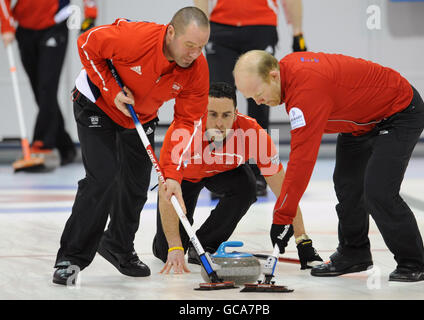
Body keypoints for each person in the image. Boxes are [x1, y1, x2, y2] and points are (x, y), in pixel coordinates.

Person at [233, 50, 424, 282]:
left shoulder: (305, 91)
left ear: (274, 76)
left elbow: (302, 160)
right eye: (251, 99)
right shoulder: (289, 78)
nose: (258, 102)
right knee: (347, 185)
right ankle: (353, 253)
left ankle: (412, 262)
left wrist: (283, 217)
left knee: (378, 191)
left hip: (399, 112)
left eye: (258, 94)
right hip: (360, 122)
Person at [52, 7, 210, 285]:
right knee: (103, 177)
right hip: (97, 103)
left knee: (136, 186)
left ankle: (117, 244)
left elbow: (188, 121)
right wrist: (112, 91)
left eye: (200, 47)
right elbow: (86, 44)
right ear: (171, 32)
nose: (194, 54)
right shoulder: (135, 38)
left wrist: (172, 173)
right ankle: (71, 257)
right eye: (189, 45)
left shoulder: (197, 69)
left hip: (141, 115)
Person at [153, 82, 322, 274]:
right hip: (185, 180)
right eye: (213, 114)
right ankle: (176, 239)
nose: (219, 123)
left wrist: (303, 239)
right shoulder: (182, 130)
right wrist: (174, 246)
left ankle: (204, 244)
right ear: (203, 111)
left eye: (226, 115)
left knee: (247, 185)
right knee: (165, 250)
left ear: (235, 113)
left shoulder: (253, 133)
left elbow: (285, 190)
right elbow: (166, 189)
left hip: (223, 174)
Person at [194, 0, 307, 197]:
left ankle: (257, 173)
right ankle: (221, 171)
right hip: (221, 28)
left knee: (260, 103)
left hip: (260, 26)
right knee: (220, 99)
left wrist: (298, 32)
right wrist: (202, 27)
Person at [0, 0, 98, 166]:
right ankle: (65, 146)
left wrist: (90, 15)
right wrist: (7, 27)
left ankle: (42, 144)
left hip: (54, 26)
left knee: (47, 88)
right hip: (25, 29)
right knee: (40, 92)